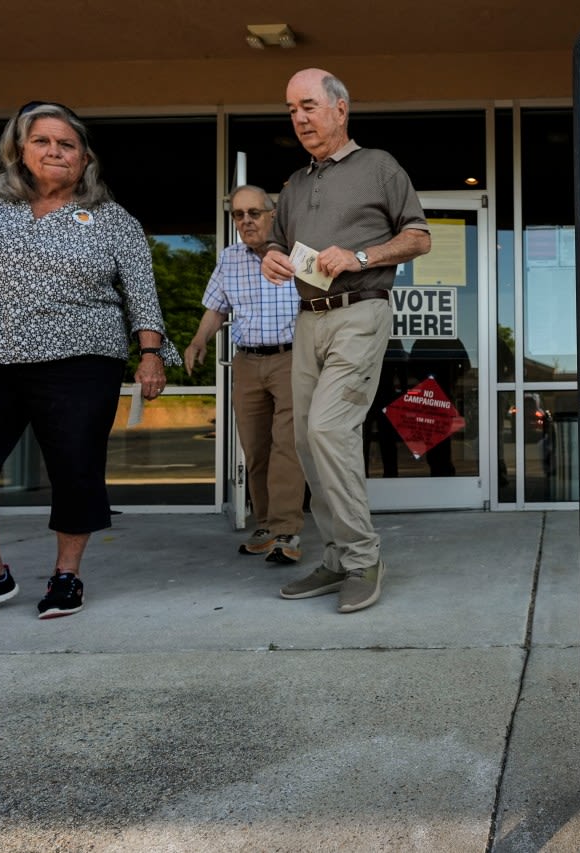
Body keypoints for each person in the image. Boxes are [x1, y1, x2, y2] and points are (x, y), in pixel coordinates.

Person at [0, 101, 179, 628]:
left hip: (81, 358)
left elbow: (143, 296)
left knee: (75, 468)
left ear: (84, 158)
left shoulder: (112, 219)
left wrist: (150, 355)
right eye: (43, 142)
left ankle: (66, 574)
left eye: (67, 145)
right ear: (20, 149)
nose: (55, 152)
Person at [261, 68, 431, 613]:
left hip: (360, 311)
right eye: (291, 110)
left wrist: (361, 256)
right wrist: (270, 256)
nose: (300, 119)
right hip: (307, 317)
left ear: (340, 108)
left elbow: (419, 236)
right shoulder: (296, 184)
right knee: (308, 442)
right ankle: (336, 556)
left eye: (308, 106)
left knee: (329, 429)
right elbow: (278, 244)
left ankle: (362, 558)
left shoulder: (379, 166)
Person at [184, 185, 306, 564]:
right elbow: (216, 307)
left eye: (254, 212)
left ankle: (287, 530)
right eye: (239, 214)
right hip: (248, 362)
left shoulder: (296, 254)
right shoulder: (230, 258)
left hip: (290, 358)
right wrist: (199, 339)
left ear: (272, 215)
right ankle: (267, 523)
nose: (247, 220)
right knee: (255, 448)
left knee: (287, 445)